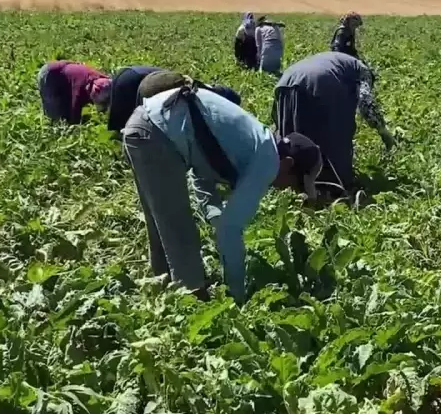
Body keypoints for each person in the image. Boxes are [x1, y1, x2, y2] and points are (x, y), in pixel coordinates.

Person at [122, 71, 321, 302]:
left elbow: (201, 174)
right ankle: (192, 302)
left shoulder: (249, 143)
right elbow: (230, 230)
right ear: (287, 164)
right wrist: (236, 296)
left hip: (142, 126)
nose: (287, 190)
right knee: (178, 229)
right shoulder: (267, 159)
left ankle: (162, 294)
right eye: (294, 184)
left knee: (161, 226)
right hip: (155, 134)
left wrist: (215, 214)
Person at [272, 51, 396, 199]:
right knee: (336, 137)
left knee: (294, 138)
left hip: (286, 80)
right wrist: (384, 133)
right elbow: (366, 104)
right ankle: (334, 187)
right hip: (321, 82)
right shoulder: (363, 72)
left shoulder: (338, 60)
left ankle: (291, 184)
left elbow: (276, 116)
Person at [108, 66, 242, 134]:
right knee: (128, 125)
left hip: (129, 75)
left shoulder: (203, 97)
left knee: (127, 124)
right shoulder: (197, 94)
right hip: (136, 81)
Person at [36, 60, 112, 124]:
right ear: (95, 91)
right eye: (103, 102)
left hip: (66, 70)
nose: (104, 104)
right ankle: (51, 132)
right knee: (54, 115)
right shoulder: (79, 90)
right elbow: (75, 114)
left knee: (65, 107)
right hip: (49, 74)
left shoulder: (105, 81)